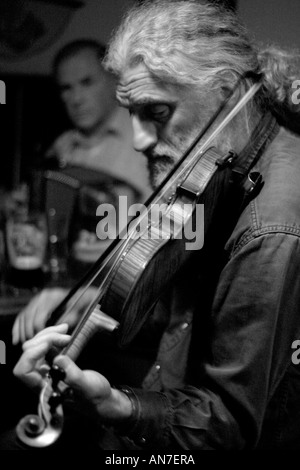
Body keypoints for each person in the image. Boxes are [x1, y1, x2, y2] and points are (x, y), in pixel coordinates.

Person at [3, 0, 300, 450]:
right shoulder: (223, 158)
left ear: (226, 90)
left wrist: (113, 406)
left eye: (156, 113)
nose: (139, 139)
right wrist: (92, 300)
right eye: (132, 114)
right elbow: (192, 303)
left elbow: (231, 428)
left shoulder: (271, 229)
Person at [33, 38, 150, 270]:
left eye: (87, 82)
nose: (76, 99)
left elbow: (185, 228)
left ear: (114, 79)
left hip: (128, 280)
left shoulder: (148, 138)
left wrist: (127, 242)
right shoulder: (60, 148)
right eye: (66, 88)